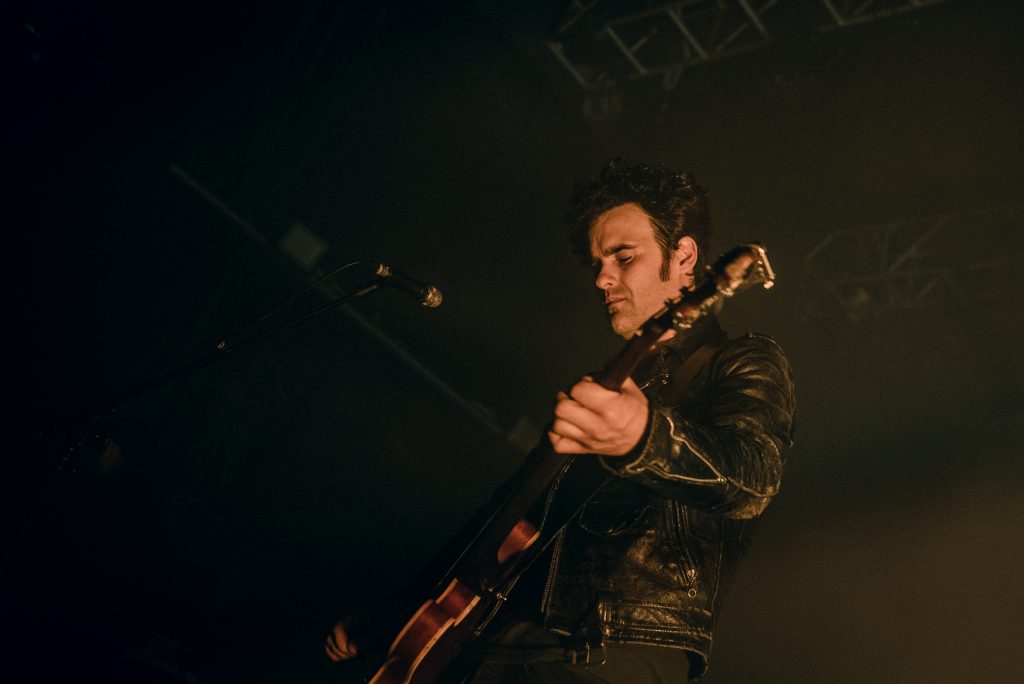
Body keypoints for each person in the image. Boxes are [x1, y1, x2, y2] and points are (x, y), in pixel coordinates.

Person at [325, 160, 796, 682]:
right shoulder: (603, 385)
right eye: (597, 262)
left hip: (609, 649)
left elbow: (753, 476)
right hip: (496, 641)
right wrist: (406, 608)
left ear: (683, 257)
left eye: (623, 256)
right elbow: (508, 511)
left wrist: (645, 439)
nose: (602, 278)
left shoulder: (741, 360)